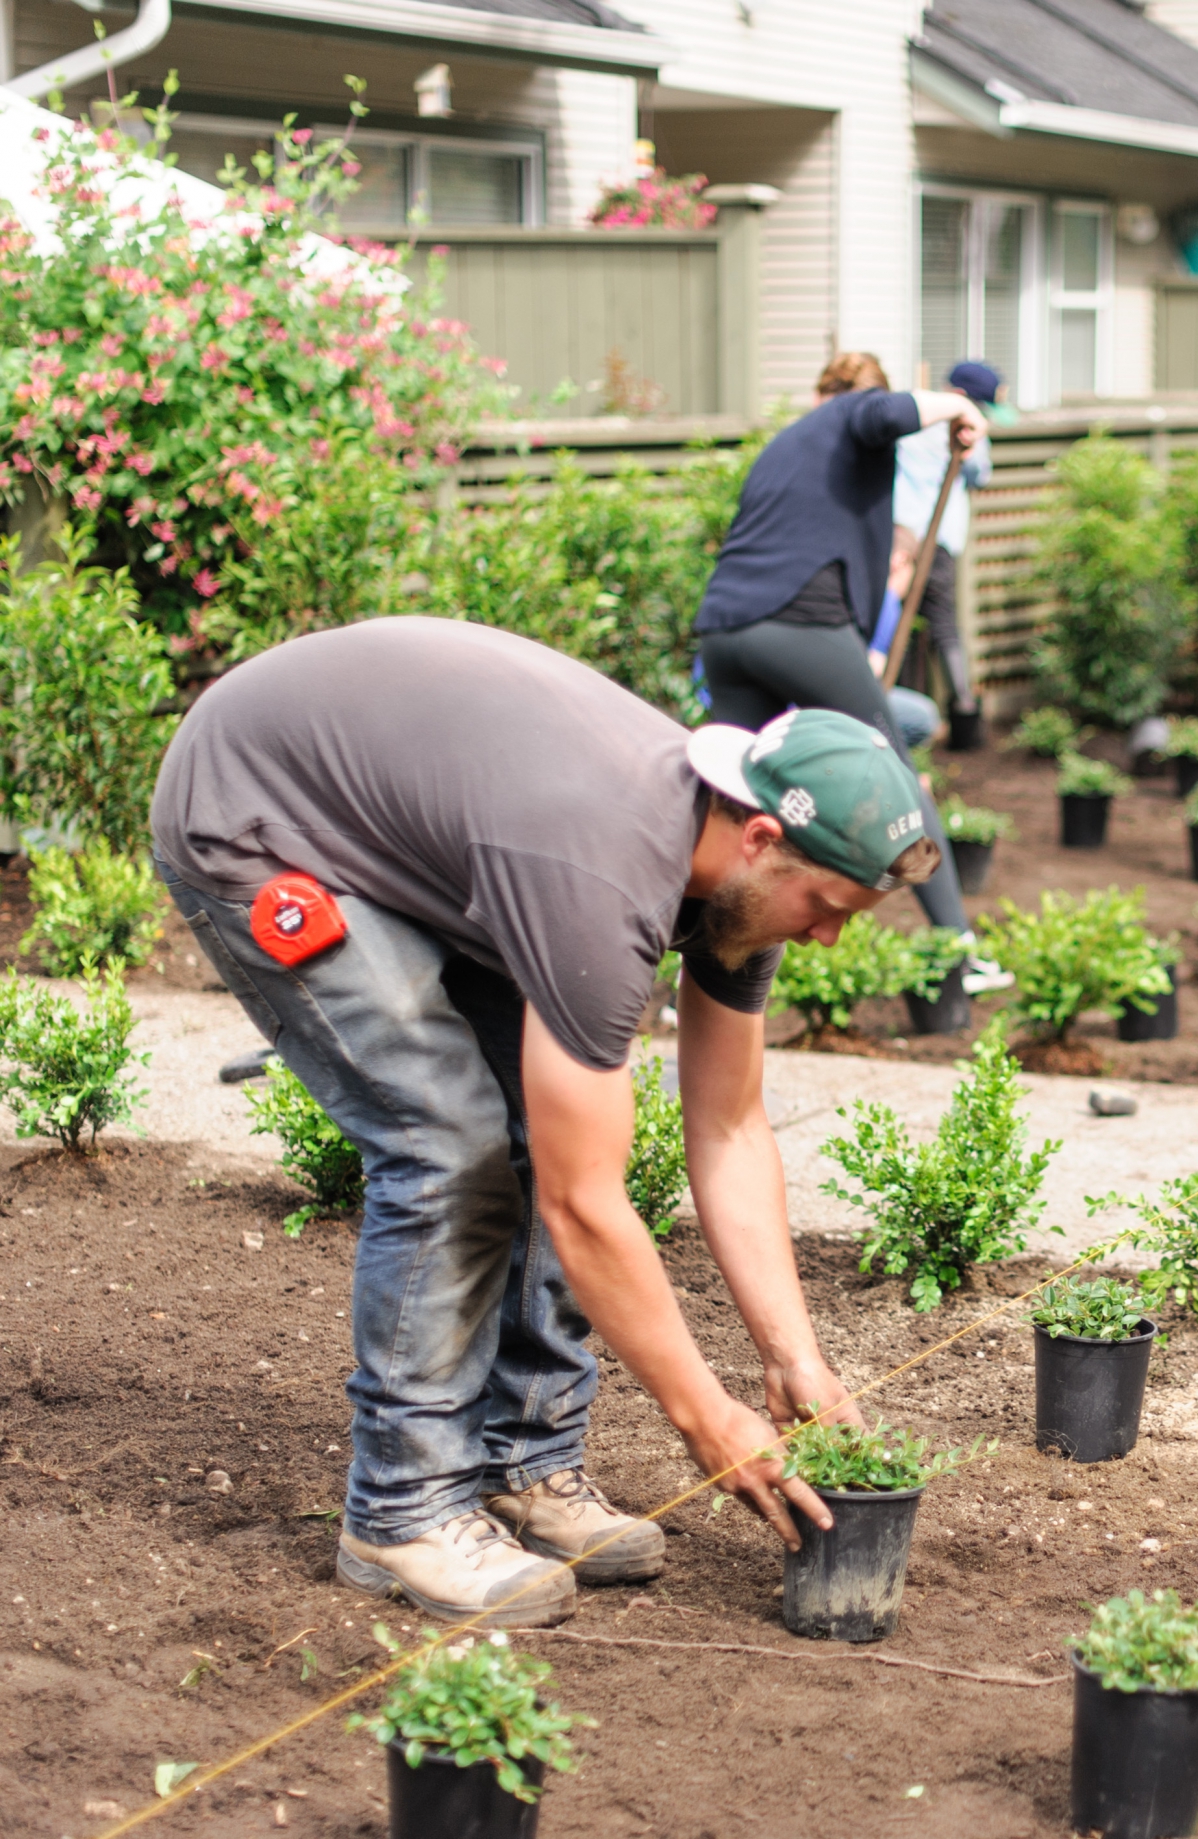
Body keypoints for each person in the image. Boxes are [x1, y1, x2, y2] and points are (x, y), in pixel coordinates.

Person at [152, 619, 939, 1626]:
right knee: (448, 1143)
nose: (828, 936)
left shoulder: (736, 879)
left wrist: (794, 1357)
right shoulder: (602, 872)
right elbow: (581, 1203)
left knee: (545, 1120)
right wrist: (708, 1421)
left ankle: (524, 1460)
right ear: (761, 836)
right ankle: (403, 1510)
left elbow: (732, 1129)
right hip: (259, 810)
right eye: (827, 906)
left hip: (421, 826)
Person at [694, 352, 995, 968]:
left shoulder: (786, 445)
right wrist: (960, 407)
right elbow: (883, 411)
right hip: (800, 624)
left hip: (725, 630)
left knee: (734, 799)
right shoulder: (853, 414)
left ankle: (698, 963)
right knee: (898, 779)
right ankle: (960, 951)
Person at [888, 359, 1010, 728]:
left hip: (903, 532)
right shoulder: (969, 427)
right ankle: (964, 708)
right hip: (938, 536)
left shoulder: (912, 420)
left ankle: (898, 700)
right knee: (942, 623)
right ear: (961, 396)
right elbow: (979, 475)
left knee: (898, 620)